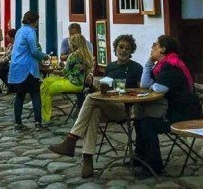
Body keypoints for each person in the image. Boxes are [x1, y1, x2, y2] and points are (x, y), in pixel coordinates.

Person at [48, 34, 143, 177]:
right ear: (116, 49)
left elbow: (141, 90)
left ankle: (72, 140)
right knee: (94, 112)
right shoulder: (110, 67)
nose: (123, 50)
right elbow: (104, 88)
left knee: (91, 99)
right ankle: (87, 157)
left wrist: (129, 93)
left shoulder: (136, 68)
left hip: (124, 109)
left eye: (127, 48)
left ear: (131, 51)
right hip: (107, 106)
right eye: (120, 47)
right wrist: (95, 85)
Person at [135, 35, 202, 175]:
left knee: (147, 124)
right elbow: (144, 84)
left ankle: (154, 166)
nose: (152, 47)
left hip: (185, 115)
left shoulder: (171, 65)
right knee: (139, 119)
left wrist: (153, 86)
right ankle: (140, 158)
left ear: (163, 49)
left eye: (155, 44)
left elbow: (159, 88)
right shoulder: (162, 65)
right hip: (174, 110)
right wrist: (148, 63)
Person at [7, 11, 48, 131]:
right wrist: (45, 56)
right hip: (27, 68)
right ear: (34, 21)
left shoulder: (20, 31)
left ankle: (18, 123)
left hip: (17, 67)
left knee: (20, 96)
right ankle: (38, 122)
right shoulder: (30, 32)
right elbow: (34, 51)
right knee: (35, 94)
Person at [40, 34, 93, 122]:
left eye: (70, 44)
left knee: (47, 89)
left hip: (72, 83)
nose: (69, 46)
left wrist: (55, 71)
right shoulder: (87, 54)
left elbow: (64, 72)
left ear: (74, 44)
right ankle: (45, 114)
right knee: (46, 81)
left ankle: (46, 117)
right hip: (81, 83)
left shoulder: (73, 55)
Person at [0, 29, 16, 95]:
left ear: (12, 37)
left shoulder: (16, 46)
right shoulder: (9, 45)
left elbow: (9, 57)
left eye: (8, 35)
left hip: (14, 64)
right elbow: (4, 56)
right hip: (7, 63)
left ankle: (10, 87)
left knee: (0, 70)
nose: (6, 36)